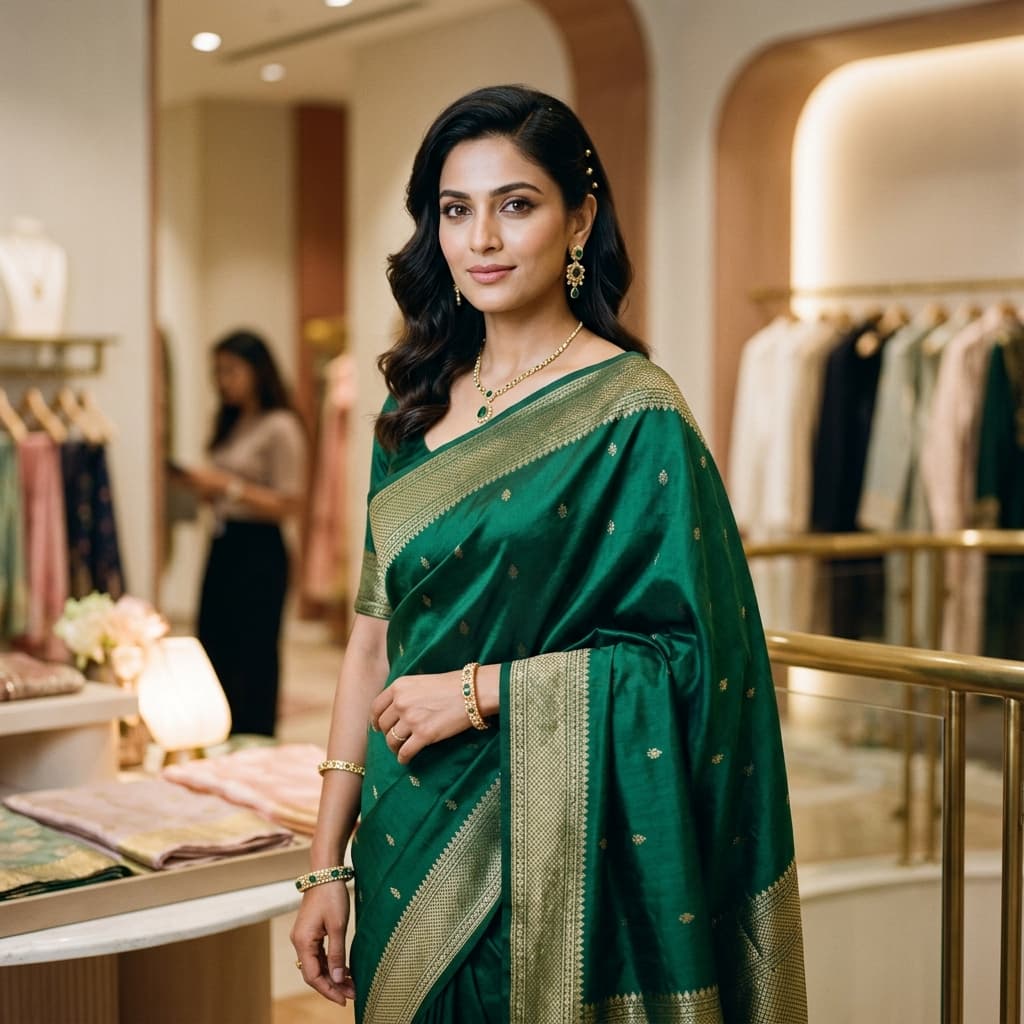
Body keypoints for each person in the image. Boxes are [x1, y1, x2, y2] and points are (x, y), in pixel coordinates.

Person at [290, 85, 807, 1023]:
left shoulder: (636, 412)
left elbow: (699, 665)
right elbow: (371, 642)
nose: (481, 238)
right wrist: (326, 860)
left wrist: (487, 691)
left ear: (580, 220)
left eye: (515, 204)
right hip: (406, 834)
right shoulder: (409, 410)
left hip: (556, 852)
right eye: (456, 210)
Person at [172, 329, 306, 737]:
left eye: (231, 370)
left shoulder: (280, 425)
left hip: (259, 550)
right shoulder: (231, 422)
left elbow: (292, 502)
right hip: (224, 543)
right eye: (217, 372)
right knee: (214, 641)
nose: (222, 380)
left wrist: (227, 487)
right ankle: (216, 731)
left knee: (254, 651)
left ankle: (255, 737)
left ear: (256, 371)